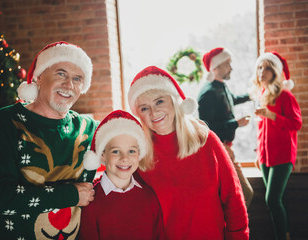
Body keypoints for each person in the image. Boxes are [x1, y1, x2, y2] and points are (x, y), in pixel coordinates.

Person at [0, 41, 99, 239]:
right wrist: (70, 195)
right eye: (61, 73)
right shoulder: (7, 122)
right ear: (39, 77)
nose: (69, 85)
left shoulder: (88, 128)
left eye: (78, 78)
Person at [127, 66, 249, 239]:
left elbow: (233, 199)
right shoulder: (138, 154)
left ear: (174, 101)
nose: (154, 112)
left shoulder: (206, 140)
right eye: (144, 108)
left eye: (159, 101)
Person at [78, 110, 166, 240]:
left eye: (131, 151)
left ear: (139, 154)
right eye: (116, 151)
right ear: (102, 154)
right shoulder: (91, 201)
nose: (125, 158)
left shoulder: (149, 197)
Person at [251, 51, 302, 240]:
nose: (261, 71)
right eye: (259, 67)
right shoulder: (263, 94)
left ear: (274, 72)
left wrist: (272, 115)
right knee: (275, 200)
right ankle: (285, 234)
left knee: (271, 199)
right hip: (266, 156)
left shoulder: (285, 96)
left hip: (283, 156)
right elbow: (262, 130)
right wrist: (259, 153)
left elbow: (296, 124)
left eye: (266, 68)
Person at [197, 47, 254, 207]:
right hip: (219, 151)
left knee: (240, 196)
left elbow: (231, 99)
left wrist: (250, 96)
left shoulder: (221, 87)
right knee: (245, 193)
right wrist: (237, 123)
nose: (232, 67)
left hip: (227, 149)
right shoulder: (208, 93)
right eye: (228, 63)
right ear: (216, 67)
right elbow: (209, 129)